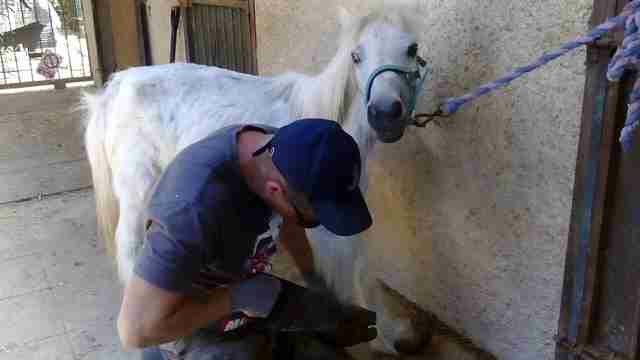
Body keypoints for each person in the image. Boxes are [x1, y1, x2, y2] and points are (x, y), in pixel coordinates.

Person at [116, 118, 373, 359]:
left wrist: (313, 279)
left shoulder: (278, 149)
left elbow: (289, 220)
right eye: (314, 217)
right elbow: (136, 330)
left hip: (235, 282)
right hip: (178, 315)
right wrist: (237, 297)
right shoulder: (191, 212)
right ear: (275, 190)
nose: (312, 222)